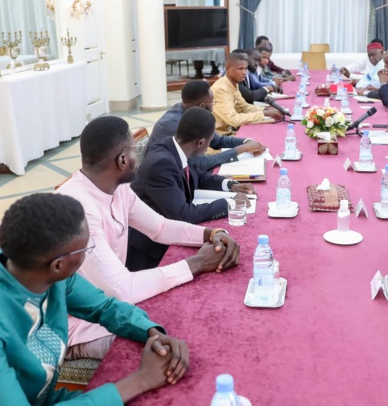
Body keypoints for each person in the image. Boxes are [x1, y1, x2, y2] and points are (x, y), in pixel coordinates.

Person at [0, 193, 190, 406]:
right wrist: (140, 380)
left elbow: (104, 307)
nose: (88, 253)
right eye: (86, 248)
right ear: (58, 264)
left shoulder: (44, 275)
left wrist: (151, 333)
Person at [56, 116, 240, 359]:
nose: (138, 156)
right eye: (136, 149)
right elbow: (122, 289)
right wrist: (196, 263)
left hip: (118, 306)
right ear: (122, 160)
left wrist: (210, 234)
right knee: (174, 343)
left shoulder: (118, 188)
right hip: (85, 326)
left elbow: (160, 227)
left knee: (191, 315)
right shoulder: (77, 209)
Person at [130, 108, 256, 266]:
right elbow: (183, 214)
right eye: (210, 142)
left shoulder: (178, 147)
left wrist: (230, 185)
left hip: (168, 231)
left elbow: (197, 176)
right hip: (149, 251)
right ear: (201, 143)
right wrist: (230, 203)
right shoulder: (161, 164)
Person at [149, 80, 266, 172]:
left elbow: (215, 140)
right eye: (213, 103)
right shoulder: (176, 124)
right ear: (202, 105)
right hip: (166, 180)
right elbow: (201, 164)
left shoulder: (188, 111)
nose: (213, 106)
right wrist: (242, 149)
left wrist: (247, 142)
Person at [212, 52, 282, 136]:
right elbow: (233, 119)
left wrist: (265, 110)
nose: (244, 72)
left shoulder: (234, 84)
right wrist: (264, 114)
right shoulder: (221, 89)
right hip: (220, 138)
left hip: (231, 133)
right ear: (227, 68)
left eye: (245, 69)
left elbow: (244, 107)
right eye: (240, 69)